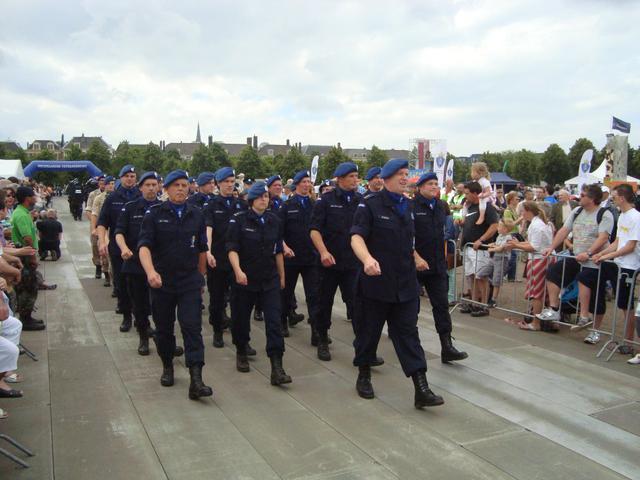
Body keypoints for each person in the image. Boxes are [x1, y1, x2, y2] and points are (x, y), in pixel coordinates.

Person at [351, 159, 444, 408]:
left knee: (408, 335)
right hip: (376, 283)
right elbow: (357, 237)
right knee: (368, 333)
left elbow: (407, 242)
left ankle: (421, 388)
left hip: (404, 283)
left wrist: (417, 257)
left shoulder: (408, 206)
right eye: (400, 174)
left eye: (406, 174)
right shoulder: (369, 204)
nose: (405, 178)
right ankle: (363, 375)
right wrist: (367, 259)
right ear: (387, 178)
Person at [138, 170, 213, 400]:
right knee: (164, 328)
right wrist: (150, 272)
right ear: (166, 189)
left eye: (184, 185)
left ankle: (196, 379)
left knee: (192, 327)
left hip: (189, 280)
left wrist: (201, 277)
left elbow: (202, 248)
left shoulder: (196, 214)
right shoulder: (154, 214)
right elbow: (144, 246)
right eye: (176, 185)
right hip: (163, 282)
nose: (181, 189)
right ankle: (168, 365)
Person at [226, 182, 292, 385]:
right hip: (246, 278)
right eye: (261, 196)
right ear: (251, 200)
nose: (265, 199)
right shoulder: (238, 221)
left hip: (269, 278)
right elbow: (232, 248)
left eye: (266, 196)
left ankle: (277, 366)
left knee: (273, 321)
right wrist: (238, 271)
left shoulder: (274, 220)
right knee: (240, 318)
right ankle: (241, 349)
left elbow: (277, 249)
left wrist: (282, 276)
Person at [536, 184, 614, 342]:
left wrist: (589, 252)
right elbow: (564, 230)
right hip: (576, 256)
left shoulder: (605, 214)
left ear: (592, 198)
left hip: (596, 260)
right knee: (553, 272)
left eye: (583, 195)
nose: (580, 197)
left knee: (596, 297)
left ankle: (594, 330)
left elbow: (603, 237)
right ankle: (554, 308)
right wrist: (551, 247)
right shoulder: (577, 211)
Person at [412, 172, 468, 363]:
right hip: (416, 265)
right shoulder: (411, 207)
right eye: (430, 183)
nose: (434, 186)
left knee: (441, 306)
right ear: (419, 187)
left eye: (436, 183)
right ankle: (410, 345)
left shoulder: (439, 207)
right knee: (411, 308)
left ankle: (447, 346)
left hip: (436, 265)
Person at [310, 162, 362, 361]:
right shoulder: (325, 201)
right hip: (328, 264)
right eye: (351, 177)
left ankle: (363, 348)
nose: (355, 180)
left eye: (356, 176)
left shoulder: (360, 200)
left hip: (352, 264)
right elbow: (314, 230)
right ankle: (322, 339)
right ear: (339, 179)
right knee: (324, 304)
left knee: (357, 306)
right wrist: (323, 252)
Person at [115, 171, 163, 356]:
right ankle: (143, 337)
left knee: (160, 305)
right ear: (140, 187)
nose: (151, 188)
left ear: (159, 186)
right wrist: (123, 248)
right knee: (140, 305)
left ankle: (162, 338)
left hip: (159, 265)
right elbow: (119, 232)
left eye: (154, 184)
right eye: (147, 184)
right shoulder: (130, 208)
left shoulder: (165, 207)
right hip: (135, 265)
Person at [592, 184, 639, 354]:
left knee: (627, 305)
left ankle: (629, 342)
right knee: (622, 304)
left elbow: (631, 246)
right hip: (620, 264)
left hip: (630, 266)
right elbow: (618, 242)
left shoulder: (635, 217)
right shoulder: (622, 216)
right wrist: (601, 253)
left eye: (614, 196)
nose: (611, 198)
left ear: (622, 198)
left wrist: (605, 256)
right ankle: (626, 340)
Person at [204, 167, 248, 349]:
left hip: (238, 260)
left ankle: (241, 340)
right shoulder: (212, 205)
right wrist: (207, 252)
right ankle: (217, 331)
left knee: (240, 302)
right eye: (226, 182)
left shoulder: (242, 205)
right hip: (219, 259)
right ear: (219, 184)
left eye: (232, 182)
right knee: (217, 299)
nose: (230, 185)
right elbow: (208, 229)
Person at [98, 165, 141, 332]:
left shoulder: (141, 195)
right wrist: (102, 241)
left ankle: (141, 317)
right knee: (122, 284)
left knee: (140, 286)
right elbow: (103, 222)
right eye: (127, 176)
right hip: (118, 249)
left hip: (139, 248)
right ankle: (126, 316)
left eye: (132, 175)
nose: (130, 178)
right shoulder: (112, 198)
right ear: (120, 178)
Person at [279, 170, 321, 341]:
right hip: (291, 258)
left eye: (308, 182)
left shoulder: (315, 205)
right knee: (286, 293)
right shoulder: (286, 206)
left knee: (314, 295)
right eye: (303, 182)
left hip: (310, 257)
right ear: (296, 185)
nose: (306, 185)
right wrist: (284, 247)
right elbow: (278, 232)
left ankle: (317, 331)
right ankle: (282, 321)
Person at [505, 202, 554, 330]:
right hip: (543, 258)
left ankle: (536, 323)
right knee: (545, 293)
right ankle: (546, 321)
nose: (521, 215)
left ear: (527, 211)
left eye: (522, 212)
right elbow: (533, 243)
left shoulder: (536, 225)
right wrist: (519, 244)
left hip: (539, 260)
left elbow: (534, 247)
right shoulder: (542, 223)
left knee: (537, 293)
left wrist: (516, 245)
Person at [458, 181, 499, 317]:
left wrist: (481, 239)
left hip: (480, 248)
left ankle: (483, 305)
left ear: (475, 193)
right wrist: (461, 223)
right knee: (471, 275)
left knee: (481, 276)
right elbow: (468, 224)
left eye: (467, 193)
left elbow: (494, 226)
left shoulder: (487, 207)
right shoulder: (469, 207)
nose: (465, 196)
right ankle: (474, 302)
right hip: (468, 246)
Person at [10, 186, 44, 331]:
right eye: (33, 196)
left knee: (29, 286)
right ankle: (25, 319)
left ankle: (28, 316)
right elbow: (27, 238)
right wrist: (32, 257)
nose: (35, 198)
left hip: (24, 254)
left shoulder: (22, 212)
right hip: (24, 256)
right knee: (28, 287)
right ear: (27, 198)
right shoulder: (22, 215)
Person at [479, 219, 515, 306]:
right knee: (481, 274)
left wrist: (491, 248)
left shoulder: (508, 237)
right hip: (495, 258)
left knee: (497, 280)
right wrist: (493, 244)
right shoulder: (500, 236)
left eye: (500, 226)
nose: (498, 228)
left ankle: (493, 299)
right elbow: (498, 244)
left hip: (502, 259)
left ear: (505, 229)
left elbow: (500, 248)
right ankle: (489, 287)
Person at [91, 176, 114, 287]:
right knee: (104, 254)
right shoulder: (99, 198)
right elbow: (94, 214)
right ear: (104, 185)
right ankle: (106, 276)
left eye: (113, 183)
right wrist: (94, 229)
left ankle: (116, 281)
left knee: (114, 255)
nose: (111, 185)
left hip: (114, 228)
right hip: (103, 228)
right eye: (109, 183)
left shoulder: (118, 197)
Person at [85, 176, 106, 278]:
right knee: (95, 246)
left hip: (107, 225)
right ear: (98, 183)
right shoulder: (93, 194)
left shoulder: (112, 193)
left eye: (105, 182)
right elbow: (88, 211)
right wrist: (95, 225)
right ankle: (98, 266)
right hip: (96, 224)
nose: (103, 183)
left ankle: (107, 270)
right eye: (101, 181)